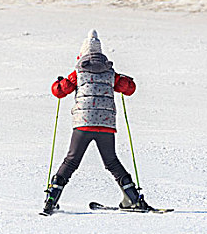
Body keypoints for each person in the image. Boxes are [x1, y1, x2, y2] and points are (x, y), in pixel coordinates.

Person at [43, 29, 149, 214]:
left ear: (82, 55)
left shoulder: (78, 73)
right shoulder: (110, 73)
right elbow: (129, 89)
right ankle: (133, 198)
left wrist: (57, 82)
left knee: (71, 161)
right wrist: (125, 80)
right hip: (106, 125)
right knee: (112, 162)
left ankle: (52, 197)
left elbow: (59, 91)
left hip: (83, 124)